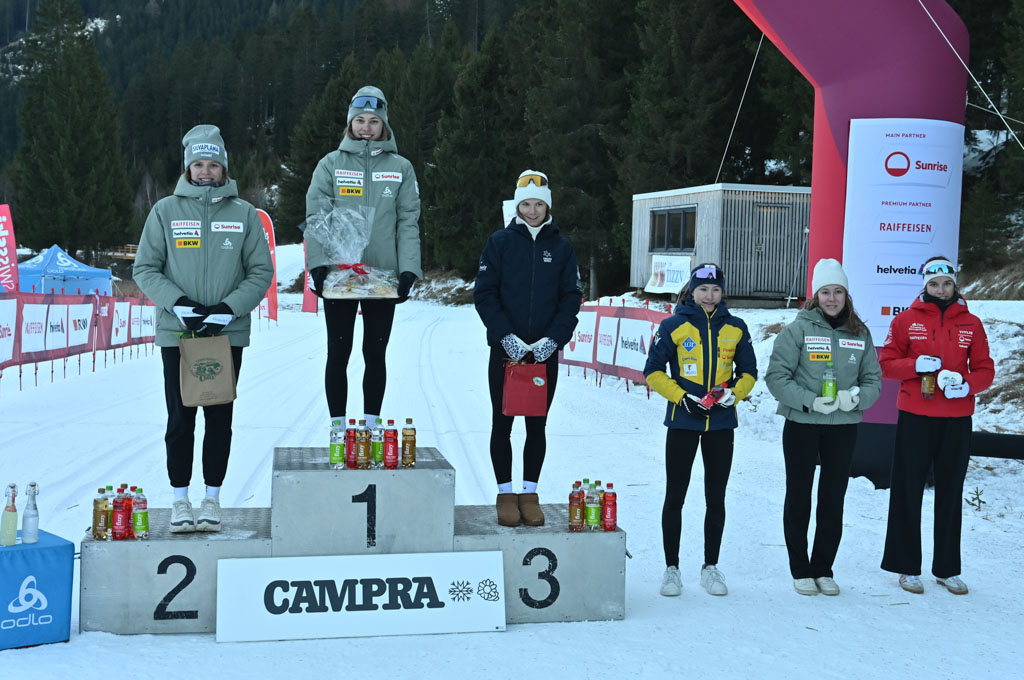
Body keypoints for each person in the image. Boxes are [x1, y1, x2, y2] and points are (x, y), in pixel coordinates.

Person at [134, 124, 274, 533]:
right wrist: (180, 305)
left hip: (225, 334)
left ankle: (212, 498)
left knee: (219, 416)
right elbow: (145, 268)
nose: (206, 171)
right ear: (188, 168)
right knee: (180, 418)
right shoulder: (165, 212)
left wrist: (229, 309)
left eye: (213, 164)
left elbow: (260, 271)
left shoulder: (243, 214)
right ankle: (180, 500)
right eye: (198, 164)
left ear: (224, 168)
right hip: (179, 334)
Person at [304, 86, 422, 428]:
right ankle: (338, 429)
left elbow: (408, 221)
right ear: (350, 123)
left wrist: (409, 270)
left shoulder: (401, 167)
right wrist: (318, 266)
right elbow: (316, 217)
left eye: (373, 121)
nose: (366, 127)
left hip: (382, 276)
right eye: (360, 120)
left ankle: (370, 427)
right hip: (340, 275)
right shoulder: (330, 164)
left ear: (384, 124)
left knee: (375, 353)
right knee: (338, 352)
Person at [765, 258, 881, 596]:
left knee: (833, 499)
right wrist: (809, 401)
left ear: (846, 295)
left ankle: (823, 568)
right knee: (799, 497)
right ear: (816, 296)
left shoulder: (860, 333)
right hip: (802, 424)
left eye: (838, 292)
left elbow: (873, 380)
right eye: (826, 292)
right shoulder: (797, 330)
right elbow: (776, 377)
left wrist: (856, 398)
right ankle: (801, 569)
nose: (832, 298)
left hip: (843, 427)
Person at [879, 256, 993, 595]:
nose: (941, 289)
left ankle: (947, 569)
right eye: (934, 284)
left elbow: (985, 369)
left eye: (946, 283)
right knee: (907, 489)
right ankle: (905, 567)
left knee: (950, 492)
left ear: (954, 284)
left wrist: (967, 385)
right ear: (924, 285)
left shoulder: (971, 323)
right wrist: (915, 366)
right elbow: (887, 363)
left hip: (956, 418)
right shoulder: (906, 320)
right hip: (915, 415)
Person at [473, 170, 582, 527]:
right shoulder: (500, 242)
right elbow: (485, 294)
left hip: (543, 355)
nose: (532, 211)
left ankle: (529, 493)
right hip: (506, 353)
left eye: (538, 204)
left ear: (548, 207)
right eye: (526, 204)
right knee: (502, 423)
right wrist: (505, 336)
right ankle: (506, 494)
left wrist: (553, 340)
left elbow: (571, 298)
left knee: (537, 425)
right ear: (516, 206)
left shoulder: (562, 248)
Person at [643, 264, 757, 598]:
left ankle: (710, 567)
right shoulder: (673, 326)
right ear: (691, 291)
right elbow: (653, 371)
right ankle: (672, 568)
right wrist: (681, 397)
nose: (709, 296)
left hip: (720, 424)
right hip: (683, 421)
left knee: (716, 497)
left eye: (716, 290)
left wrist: (734, 394)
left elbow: (749, 371)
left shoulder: (736, 327)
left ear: (723, 293)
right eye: (703, 290)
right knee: (675, 495)